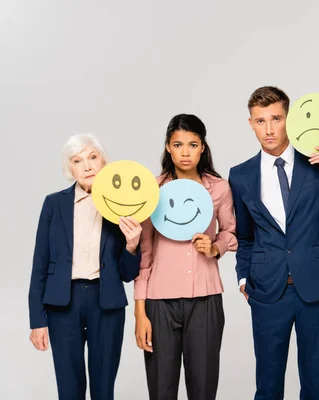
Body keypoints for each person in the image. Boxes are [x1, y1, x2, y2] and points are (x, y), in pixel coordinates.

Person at [228, 86, 319, 400]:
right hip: (268, 290)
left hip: (316, 287)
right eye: (260, 121)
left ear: (289, 119)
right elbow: (244, 236)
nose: (269, 129)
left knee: (314, 385)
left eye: (276, 119)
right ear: (251, 123)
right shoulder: (240, 176)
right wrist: (243, 277)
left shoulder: (317, 164)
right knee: (268, 386)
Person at [28, 134, 142, 400]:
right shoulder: (53, 204)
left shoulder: (123, 204)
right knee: (69, 390)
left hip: (107, 302)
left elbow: (127, 273)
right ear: (71, 169)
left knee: (104, 390)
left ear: (104, 161)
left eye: (93, 157)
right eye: (78, 161)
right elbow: (39, 264)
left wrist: (132, 245)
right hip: (62, 305)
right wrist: (37, 320)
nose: (87, 166)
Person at [134, 114, 237, 400]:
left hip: (205, 299)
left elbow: (231, 232)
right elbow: (145, 254)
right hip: (159, 302)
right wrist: (139, 312)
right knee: (161, 389)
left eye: (193, 144)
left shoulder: (219, 188)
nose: (185, 152)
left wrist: (215, 247)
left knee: (203, 388)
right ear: (168, 147)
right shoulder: (152, 190)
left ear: (202, 147)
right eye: (178, 145)